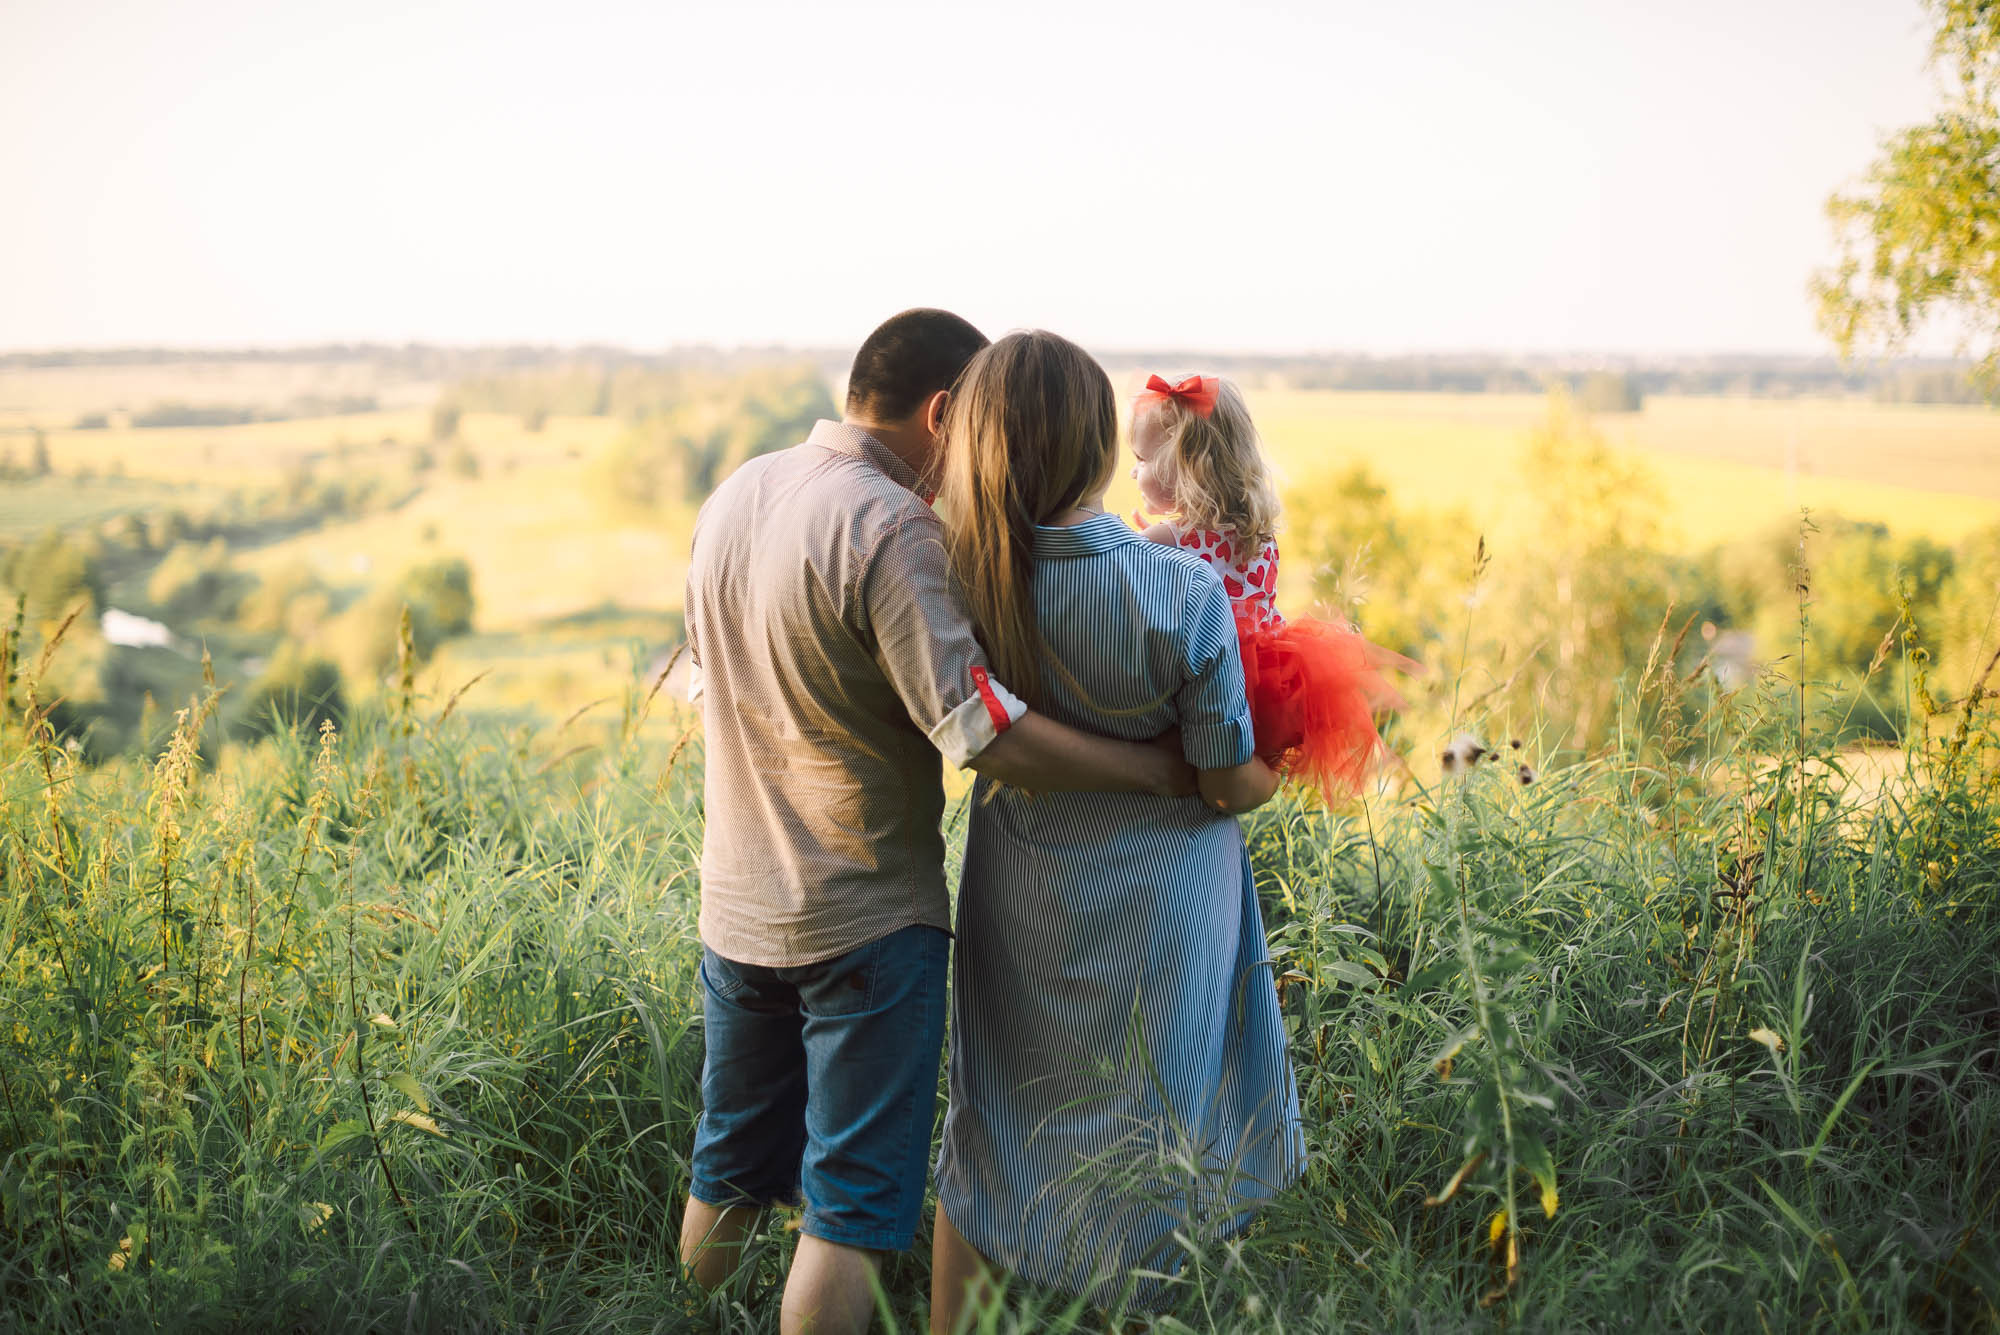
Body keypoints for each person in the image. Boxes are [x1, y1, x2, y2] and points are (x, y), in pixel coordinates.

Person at [677, 309, 1197, 1335]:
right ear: (944, 412)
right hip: (863, 920)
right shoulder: (889, 525)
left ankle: (680, 1318)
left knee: (727, 1168)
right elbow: (980, 732)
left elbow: (705, 681)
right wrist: (1152, 770)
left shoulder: (736, 493)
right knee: (852, 1212)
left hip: (733, 909)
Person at [929, 331, 1303, 1326]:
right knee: (1159, 1123)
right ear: (1101, 446)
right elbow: (1221, 782)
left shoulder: (962, 578)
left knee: (991, 1118)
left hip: (1022, 894)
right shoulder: (1185, 590)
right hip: (1169, 904)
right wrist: (1283, 758)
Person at [1130, 372, 1413, 801]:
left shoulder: (1164, 541)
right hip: (1266, 682)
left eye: (1143, 459)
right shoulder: (1259, 535)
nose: (1134, 471)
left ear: (1183, 465)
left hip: (1209, 673)